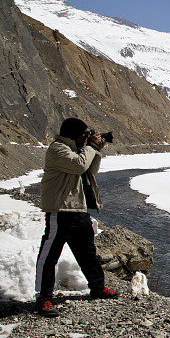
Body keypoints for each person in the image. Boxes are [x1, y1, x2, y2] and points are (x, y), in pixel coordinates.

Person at [34, 117, 118, 317]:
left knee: (88, 253)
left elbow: (90, 171)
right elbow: (79, 165)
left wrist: (95, 150)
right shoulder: (58, 149)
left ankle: (98, 287)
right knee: (49, 255)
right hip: (60, 210)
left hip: (78, 209)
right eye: (83, 135)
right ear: (74, 135)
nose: (86, 138)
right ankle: (43, 297)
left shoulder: (77, 150)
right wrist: (90, 146)